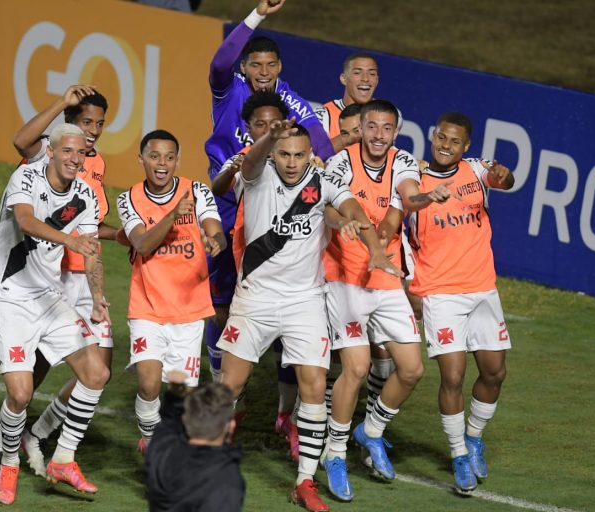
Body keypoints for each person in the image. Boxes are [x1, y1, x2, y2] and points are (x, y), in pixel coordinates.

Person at [217, 119, 400, 512]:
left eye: (299, 154)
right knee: (229, 386)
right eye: (285, 153)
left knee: (314, 386)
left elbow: (350, 207)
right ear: (274, 151)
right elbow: (249, 163)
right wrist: (269, 138)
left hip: (305, 300)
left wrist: (374, 247)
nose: (292, 162)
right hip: (256, 298)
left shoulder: (321, 178)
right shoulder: (258, 174)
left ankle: (305, 482)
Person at [0, 85, 118, 483]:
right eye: (84, 126)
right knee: (23, 388)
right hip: (11, 293)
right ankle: (3, 455)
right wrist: (61, 102)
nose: (88, 139)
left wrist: (97, 297)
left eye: (97, 128)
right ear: (56, 145)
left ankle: (61, 456)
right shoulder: (30, 170)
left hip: (56, 288)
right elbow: (26, 219)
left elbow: (90, 244)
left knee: (96, 372)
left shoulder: (89, 185)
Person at [320, 100, 452, 501]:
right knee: (357, 369)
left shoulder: (404, 162)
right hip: (343, 276)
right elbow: (336, 208)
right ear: (360, 127)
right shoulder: (340, 161)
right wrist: (354, 231)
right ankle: (335, 452)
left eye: (387, 128)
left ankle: (371, 430)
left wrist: (425, 200)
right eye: (371, 127)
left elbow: (405, 202)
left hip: (385, 274)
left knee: (412, 370)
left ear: (396, 132)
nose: (378, 135)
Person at [205, 0, 336, 395]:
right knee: (222, 304)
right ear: (245, 67)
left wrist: (321, 160)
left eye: (271, 65)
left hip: (265, 208)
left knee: (274, 294)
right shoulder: (229, 92)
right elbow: (218, 63)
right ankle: (222, 385)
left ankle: (285, 406)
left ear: (280, 68)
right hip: (227, 205)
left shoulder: (287, 98)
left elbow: (320, 139)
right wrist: (257, 14)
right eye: (256, 65)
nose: (263, 73)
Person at [406, 112, 514, 494]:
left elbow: (505, 180)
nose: (445, 146)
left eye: (454, 141)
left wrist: (503, 175)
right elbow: (402, 211)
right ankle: (458, 455)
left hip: (483, 288)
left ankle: (474, 437)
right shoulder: (413, 176)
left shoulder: (475, 170)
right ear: (433, 136)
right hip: (440, 291)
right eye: (441, 138)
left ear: (466, 146)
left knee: (494, 372)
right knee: (452, 376)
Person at [116, 130, 225, 453]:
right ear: (141, 159)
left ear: (177, 160)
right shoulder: (129, 198)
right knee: (149, 384)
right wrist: (172, 216)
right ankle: (152, 443)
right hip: (147, 307)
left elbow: (214, 229)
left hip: (189, 311)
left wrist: (214, 242)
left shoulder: (198, 192)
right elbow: (141, 243)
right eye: (154, 156)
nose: (162, 164)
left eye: (169, 157)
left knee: (179, 394)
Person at [210, 90, 301, 460]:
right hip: (244, 259)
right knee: (225, 323)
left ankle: (286, 415)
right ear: (248, 128)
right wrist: (233, 167)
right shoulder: (246, 158)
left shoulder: (299, 159)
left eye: (273, 123)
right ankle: (233, 406)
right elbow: (217, 187)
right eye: (259, 124)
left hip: (290, 267)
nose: (267, 128)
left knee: (292, 344)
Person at [145, 371, 244, 511]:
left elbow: (168, 424)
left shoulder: (162, 450)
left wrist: (174, 395)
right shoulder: (226, 478)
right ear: (231, 426)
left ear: (185, 420)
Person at [315, 52, 379, 147]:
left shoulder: (385, 114)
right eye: (357, 73)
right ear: (344, 79)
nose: (365, 79)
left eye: (372, 74)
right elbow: (315, 157)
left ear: (377, 80)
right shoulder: (323, 115)